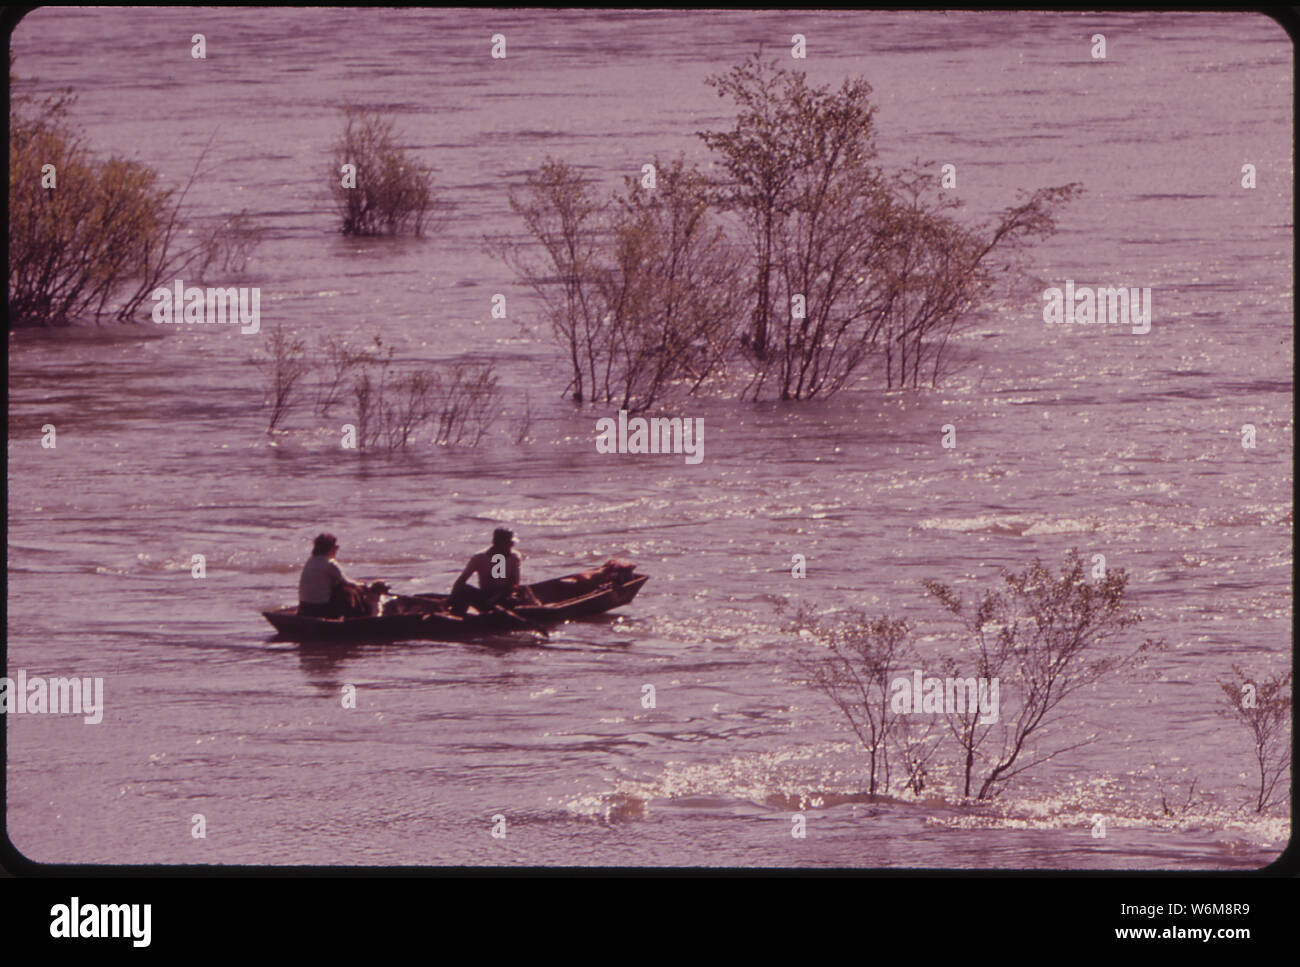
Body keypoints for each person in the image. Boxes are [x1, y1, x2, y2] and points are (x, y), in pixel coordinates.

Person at [449, 527, 541, 616]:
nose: (511, 546)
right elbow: (461, 580)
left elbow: (514, 584)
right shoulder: (479, 557)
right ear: (496, 543)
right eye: (508, 543)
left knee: (521, 593)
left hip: (503, 598)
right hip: (484, 597)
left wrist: (496, 598)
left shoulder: (514, 557)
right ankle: (457, 615)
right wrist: (450, 600)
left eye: (512, 543)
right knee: (463, 589)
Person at [298, 533, 386, 618]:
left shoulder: (310, 561)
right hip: (321, 608)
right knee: (348, 591)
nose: (336, 550)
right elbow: (346, 582)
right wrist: (363, 586)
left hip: (304, 607)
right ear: (330, 548)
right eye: (336, 547)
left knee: (342, 589)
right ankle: (361, 615)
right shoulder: (329, 563)